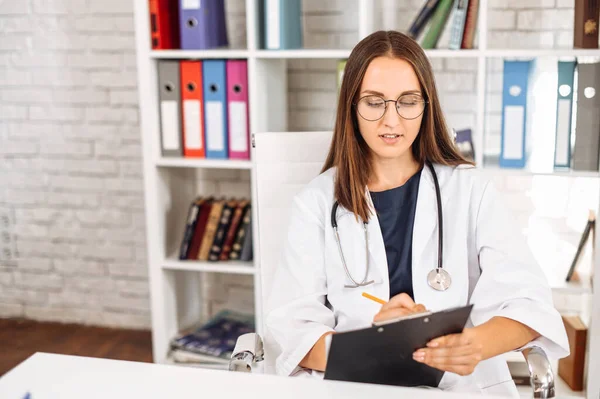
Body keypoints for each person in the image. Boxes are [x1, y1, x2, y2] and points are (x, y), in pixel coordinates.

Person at [265, 30, 569, 396]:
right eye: (374, 102)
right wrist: (374, 346)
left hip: (459, 386)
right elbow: (293, 332)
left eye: (407, 101)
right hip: (356, 383)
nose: (391, 121)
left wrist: (474, 345)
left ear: (426, 106)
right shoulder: (315, 204)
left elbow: (529, 302)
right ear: (351, 106)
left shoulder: (470, 190)